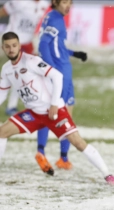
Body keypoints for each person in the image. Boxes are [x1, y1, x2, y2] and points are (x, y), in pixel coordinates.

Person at [0, 31, 114, 186]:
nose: (11, 49)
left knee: (77, 142)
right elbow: (2, 93)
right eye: (7, 46)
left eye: (14, 45)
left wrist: (54, 104)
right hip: (33, 114)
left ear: (19, 46)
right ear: (3, 48)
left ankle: (108, 174)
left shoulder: (31, 61)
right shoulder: (6, 69)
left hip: (53, 112)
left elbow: (57, 76)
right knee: (2, 132)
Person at [36, 0, 87, 171]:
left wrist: (74, 53)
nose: (68, 6)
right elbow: (43, 44)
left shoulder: (52, 17)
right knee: (62, 116)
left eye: (70, 2)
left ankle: (47, 153)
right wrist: (52, 70)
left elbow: (57, 45)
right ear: (55, 2)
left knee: (55, 112)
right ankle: (60, 157)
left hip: (64, 73)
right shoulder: (56, 19)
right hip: (61, 76)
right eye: (64, 2)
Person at [0, 0, 50, 116]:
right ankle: (12, 106)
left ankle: (27, 105)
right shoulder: (19, 2)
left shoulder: (45, 5)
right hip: (14, 41)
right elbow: (2, 12)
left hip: (28, 43)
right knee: (22, 73)